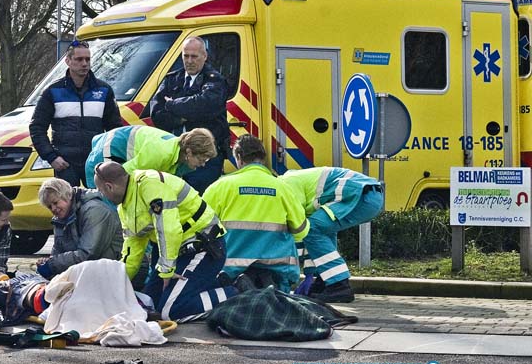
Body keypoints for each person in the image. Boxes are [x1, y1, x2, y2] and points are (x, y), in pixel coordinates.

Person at [93, 161, 236, 322]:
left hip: (204, 248)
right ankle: (214, 283)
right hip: (178, 254)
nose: (102, 195)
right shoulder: (125, 207)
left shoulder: (149, 184)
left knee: (172, 311)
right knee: (147, 305)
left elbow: (169, 229)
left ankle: (234, 292)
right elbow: (133, 251)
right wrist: (115, 283)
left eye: (101, 190)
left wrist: (166, 270)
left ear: (109, 186)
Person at [203, 135, 309, 293]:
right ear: (263, 157)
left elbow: (201, 228)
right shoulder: (283, 187)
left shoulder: (220, 187)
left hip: (230, 272)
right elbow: (301, 230)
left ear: (239, 157)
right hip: (277, 271)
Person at [280, 166, 384, 303]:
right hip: (369, 196)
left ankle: (339, 285)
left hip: (358, 194)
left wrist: (293, 275)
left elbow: (300, 231)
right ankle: (327, 280)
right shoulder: (291, 181)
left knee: (312, 230)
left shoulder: (285, 185)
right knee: (321, 230)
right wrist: (312, 275)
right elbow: (312, 241)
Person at [29, 40, 123, 186]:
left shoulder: (104, 90)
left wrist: (110, 157)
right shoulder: (52, 91)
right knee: (67, 207)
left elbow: (115, 128)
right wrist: (51, 157)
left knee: (98, 205)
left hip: (95, 162)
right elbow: (37, 127)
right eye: (79, 59)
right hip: (65, 163)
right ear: (68, 61)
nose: (84, 63)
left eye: (87, 59)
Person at [150, 36, 229, 193]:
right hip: (176, 157)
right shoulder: (172, 79)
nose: (189, 61)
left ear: (204, 56)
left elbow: (204, 105)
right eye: (186, 56)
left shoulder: (215, 80)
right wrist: (182, 117)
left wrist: (172, 104)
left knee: (199, 201)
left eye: (194, 56)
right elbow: (156, 114)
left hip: (205, 159)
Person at [35, 177, 123, 279]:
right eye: (49, 207)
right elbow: (58, 250)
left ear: (67, 196)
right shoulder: (60, 219)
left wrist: (52, 265)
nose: (53, 209)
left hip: (115, 271)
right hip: (92, 271)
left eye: (55, 203)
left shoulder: (94, 210)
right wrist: (48, 262)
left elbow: (88, 253)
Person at [84, 126, 217, 188]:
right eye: (201, 160)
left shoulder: (180, 159)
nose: (203, 164)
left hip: (115, 151)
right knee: (108, 208)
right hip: (105, 154)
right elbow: (123, 175)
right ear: (189, 152)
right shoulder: (161, 153)